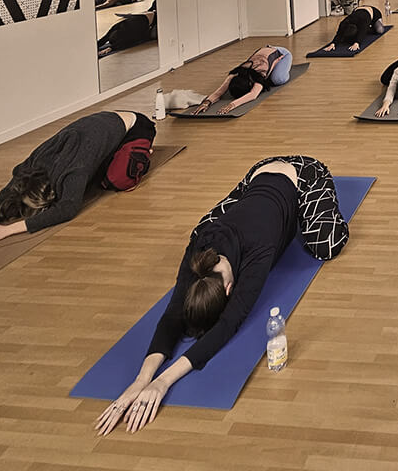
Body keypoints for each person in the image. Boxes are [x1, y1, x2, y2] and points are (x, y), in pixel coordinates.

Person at [95, 155, 349, 436]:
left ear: (230, 290)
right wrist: (142, 380)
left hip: (300, 174)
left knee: (326, 246)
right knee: (207, 222)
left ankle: (316, 178)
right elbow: (172, 315)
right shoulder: (199, 246)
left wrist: (164, 382)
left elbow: (229, 323)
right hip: (258, 176)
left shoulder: (258, 250)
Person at [0, 111, 154, 248]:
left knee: (117, 180)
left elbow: (67, 209)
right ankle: (112, 155)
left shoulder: (73, 170)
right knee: (94, 176)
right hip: (99, 126)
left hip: (135, 126)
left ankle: (142, 153)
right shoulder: (30, 166)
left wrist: (7, 230)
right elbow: (4, 196)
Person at [192, 45, 293, 116]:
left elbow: (253, 95)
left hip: (283, 53)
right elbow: (219, 92)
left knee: (277, 80)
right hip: (266, 51)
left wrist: (232, 105)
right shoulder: (235, 73)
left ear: (251, 83)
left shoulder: (260, 73)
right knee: (270, 78)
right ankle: (275, 67)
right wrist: (207, 102)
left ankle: (283, 67)